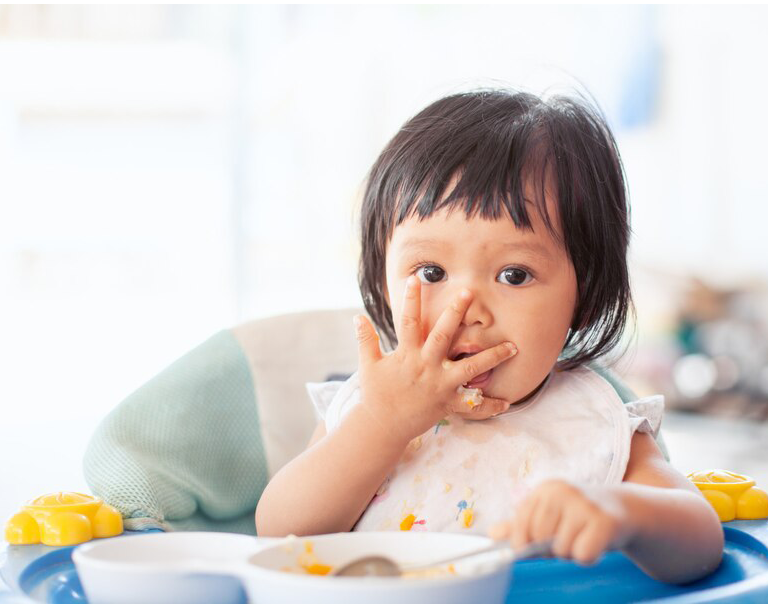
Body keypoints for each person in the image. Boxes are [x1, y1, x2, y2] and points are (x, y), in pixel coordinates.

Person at [255, 89, 723, 583]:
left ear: (583, 297)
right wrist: (380, 423)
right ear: (381, 276)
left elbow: (702, 542)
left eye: (514, 275)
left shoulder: (592, 425)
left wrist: (624, 511)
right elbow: (280, 533)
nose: (467, 310)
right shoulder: (369, 407)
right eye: (432, 272)